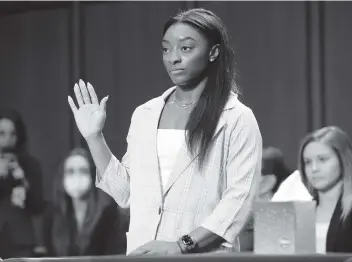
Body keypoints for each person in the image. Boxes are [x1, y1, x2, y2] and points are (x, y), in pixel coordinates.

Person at [68, 8, 262, 255]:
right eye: (166, 48)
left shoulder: (236, 117)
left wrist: (182, 245)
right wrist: (94, 137)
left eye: (186, 48)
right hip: (143, 254)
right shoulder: (145, 114)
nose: (173, 58)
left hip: (202, 256)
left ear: (213, 52)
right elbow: (127, 194)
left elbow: (239, 201)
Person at [42, 148, 127, 256]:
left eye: (83, 171)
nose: (76, 177)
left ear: (92, 175)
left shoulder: (109, 215)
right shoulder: (52, 216)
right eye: (70, 171)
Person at [297, 126, 352, 253]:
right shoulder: (300, 212)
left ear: (343, 160)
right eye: (308, 162)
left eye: (323, 159)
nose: (314, 168)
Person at [0, 108, 46, 259]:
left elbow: (38, 206)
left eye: (13, 134)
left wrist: (23, 181)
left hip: (20, 242)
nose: (7, 139)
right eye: (2, 133)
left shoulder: (29, 165)